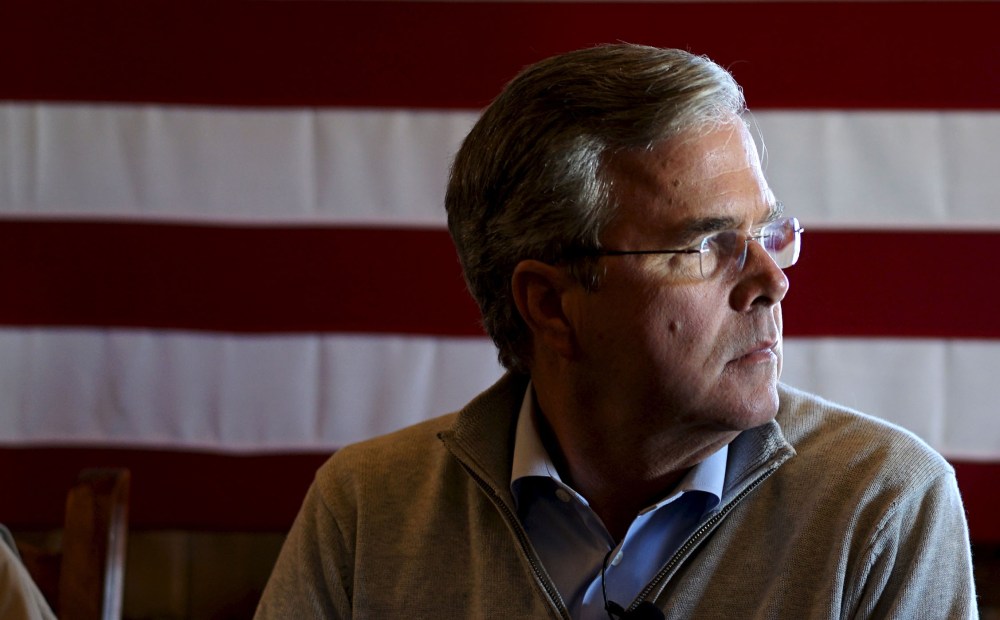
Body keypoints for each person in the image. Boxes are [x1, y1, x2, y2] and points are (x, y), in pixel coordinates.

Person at [255, 44, 977, 619]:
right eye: (707, 245)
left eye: (766, 231)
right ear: (549, 303)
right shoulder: (365, 507)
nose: (772, 281)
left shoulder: (884, 504)